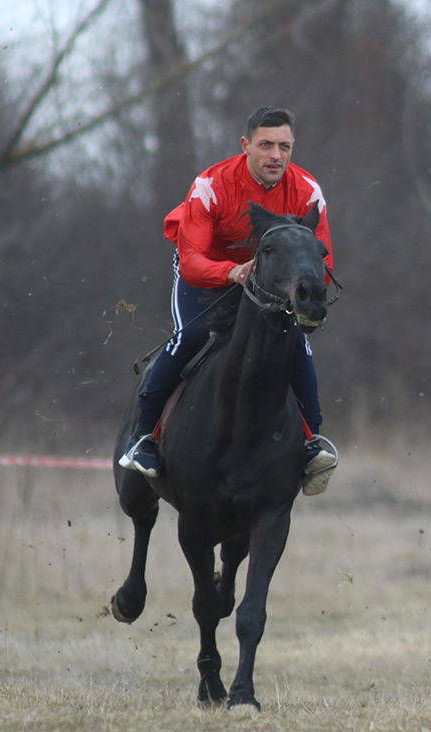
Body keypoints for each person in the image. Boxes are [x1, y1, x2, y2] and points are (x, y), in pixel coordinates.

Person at [119, 106, 338, 496]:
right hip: (209, 274)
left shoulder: (308, 191)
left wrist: (304, 296)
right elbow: (191, 262)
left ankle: (311, 445)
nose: (276, 155)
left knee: (296, 347)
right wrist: (232, 273)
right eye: (266, 145)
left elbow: (321, 258)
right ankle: (144, 437)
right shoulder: (211, 185)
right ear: (245, 146)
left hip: (269, 280)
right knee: (195, 336)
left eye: (284, 146)